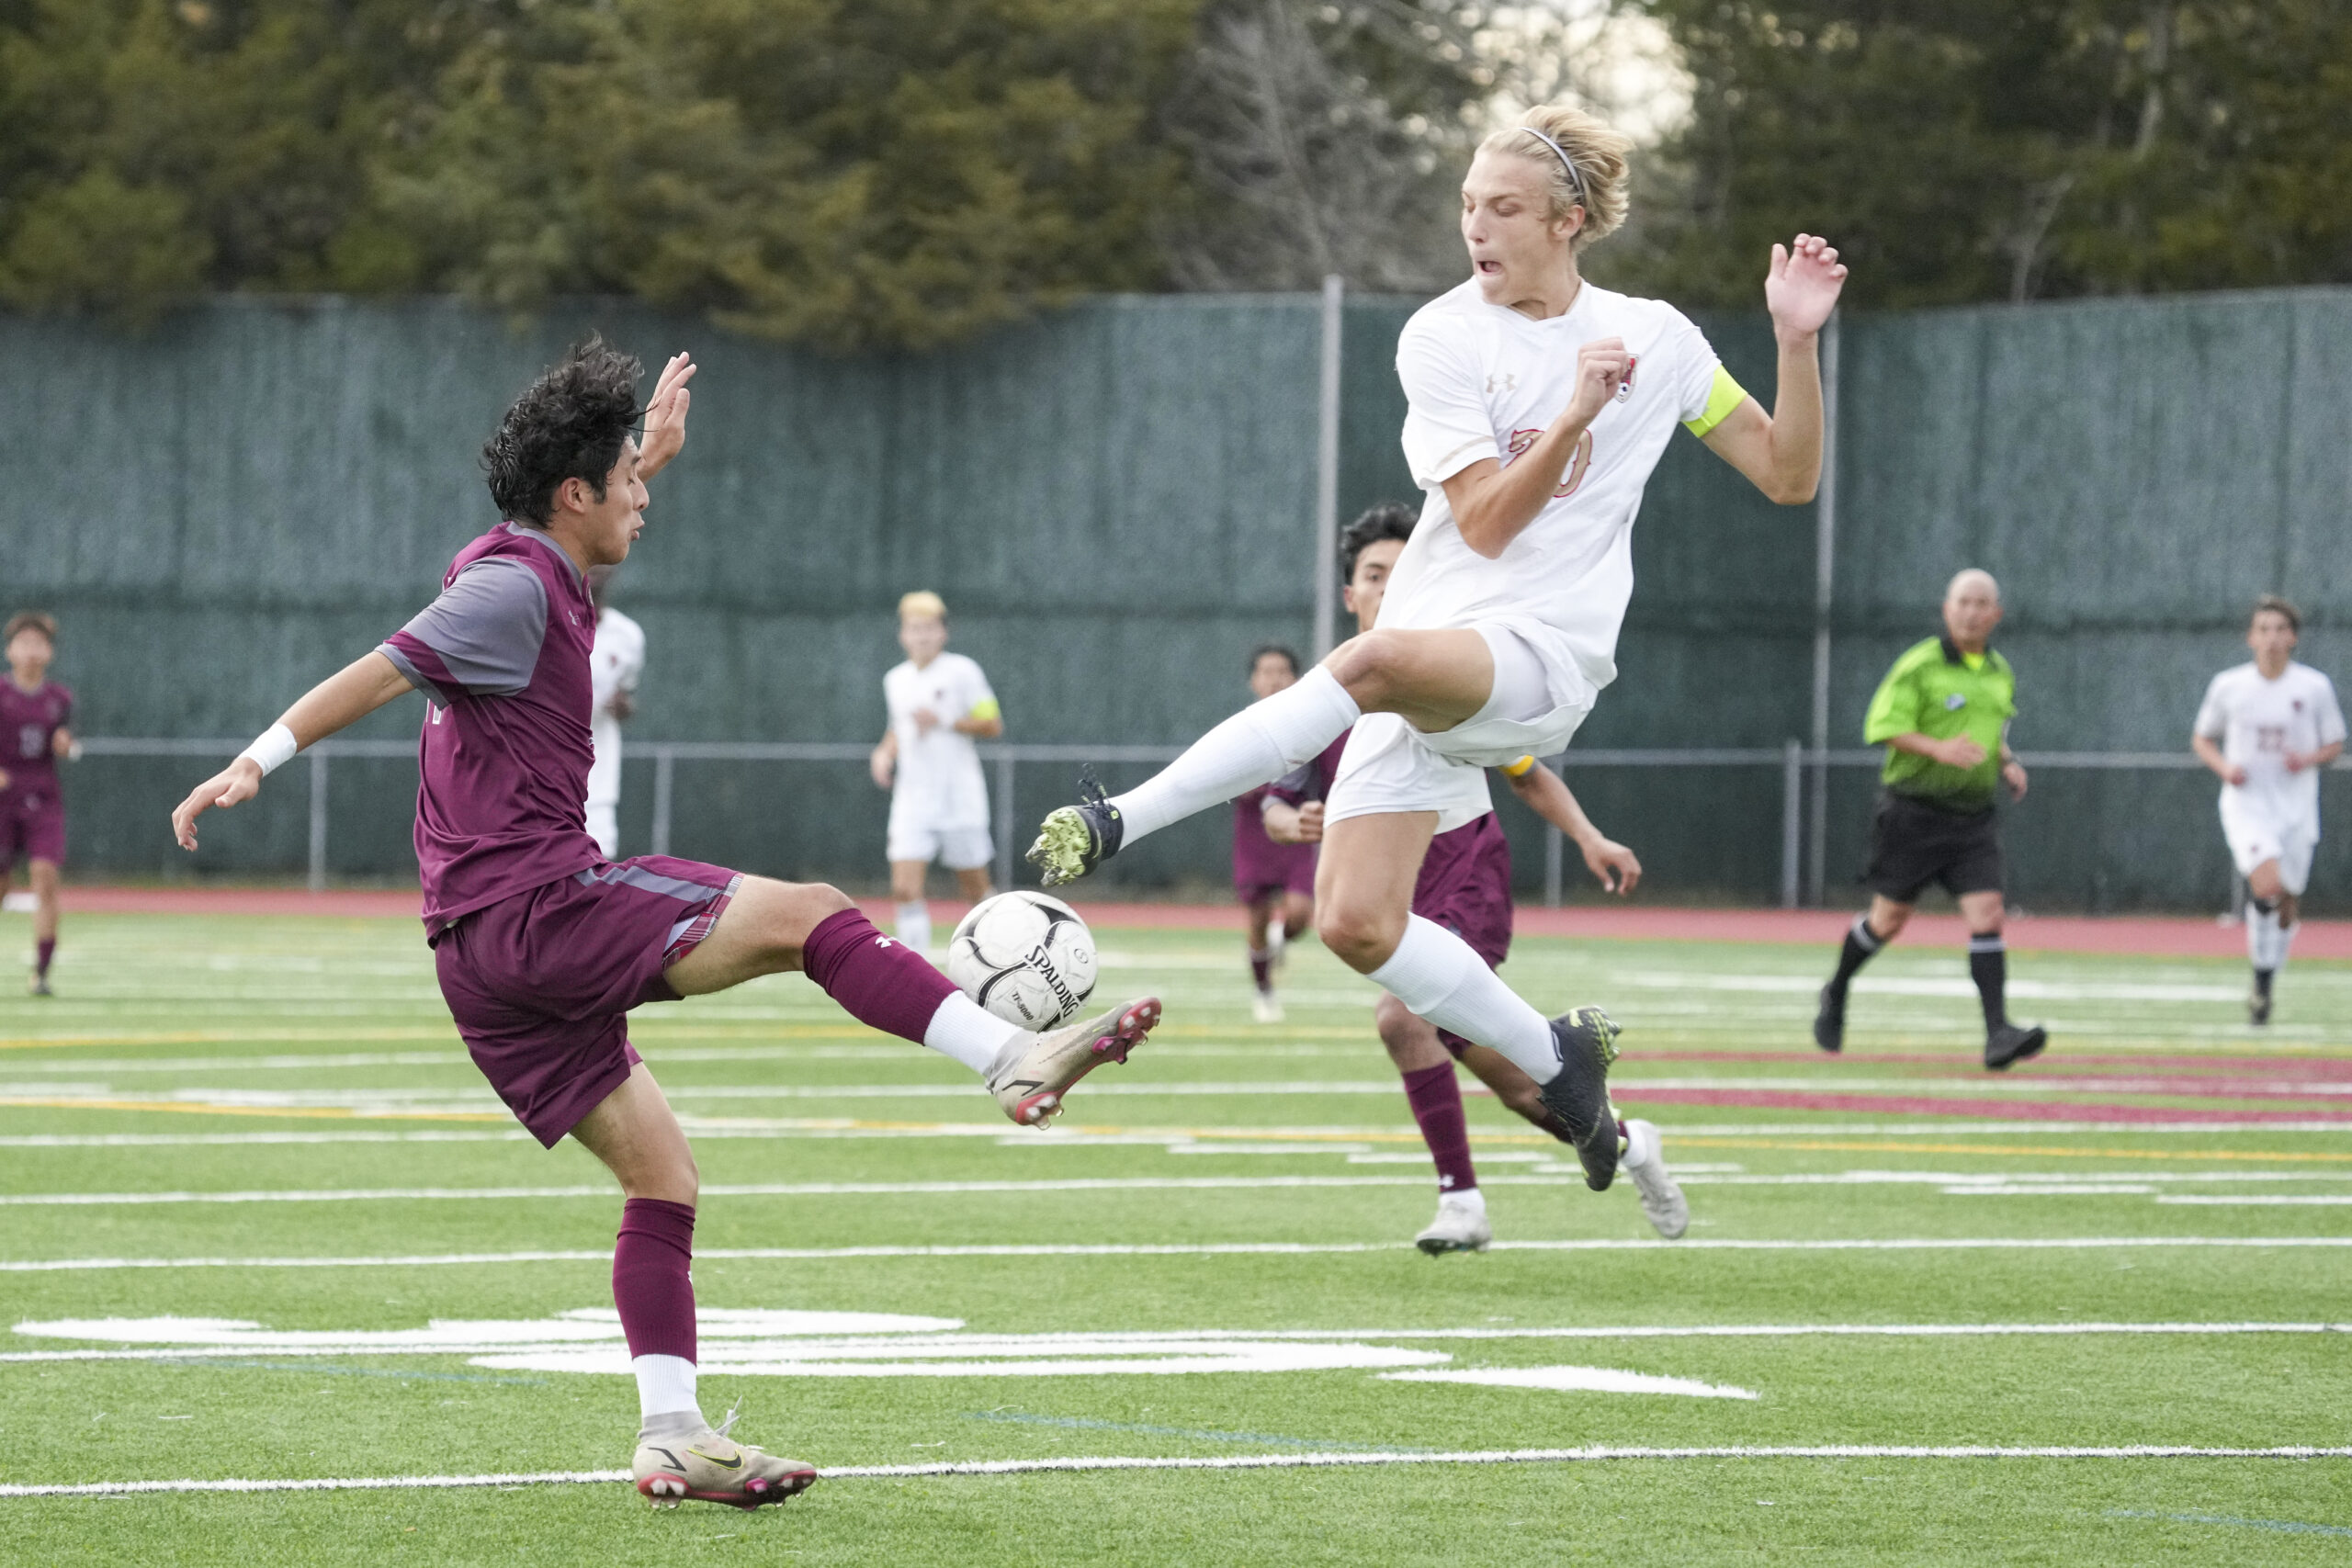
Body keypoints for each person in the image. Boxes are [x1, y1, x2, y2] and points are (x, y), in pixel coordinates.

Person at [169, 342, 1160, 1511]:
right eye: (626, 482)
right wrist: (255, 761)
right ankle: (1010, 1056)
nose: (645, 497)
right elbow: (382, 669)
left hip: (481, 963)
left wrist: (648, 450)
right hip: (537, 910)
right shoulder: (510, 587)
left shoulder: (538, 562)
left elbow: (552, 544)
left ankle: (672, 1435)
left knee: (664, 1179)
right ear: (573, 494)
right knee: (813, 916)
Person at [1031, 104, 1844, 1191]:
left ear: (1570, 218)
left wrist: (1795, 341)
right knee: (1355, 926)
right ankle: (1560, 1059)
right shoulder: (1441, 334)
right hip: (1439, 659)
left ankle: (1114, 815)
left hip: (1540, 656)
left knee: (1363, 667)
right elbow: (1486, 519)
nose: (1476, 226)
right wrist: (1570, 414)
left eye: (1502, 207)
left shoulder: (1659, 338)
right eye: (1466, 204)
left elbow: (1789, 476)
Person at [1262, 504, 1685, 1250]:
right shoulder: (1332, 692)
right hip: (1388, 901)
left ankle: (1462, 1202)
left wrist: (1589, 836)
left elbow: (1525, 773)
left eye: (1403, 572)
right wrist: (1285, 821)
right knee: (1534, 1092)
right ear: (1349, 594)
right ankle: (1629, 1143)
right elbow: (1276, 794)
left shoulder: (1442, 676)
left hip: (1463, 878)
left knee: (1399, 1018)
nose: (1389, 588)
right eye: (1373, 575)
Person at [1812, 569, 2046, 1069]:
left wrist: (2007, 763)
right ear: (1947, 608)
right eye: (1963, 601)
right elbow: (1882, 726)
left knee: (1988, 916)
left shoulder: (1999, 671)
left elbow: (1988, 732)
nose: (1972, 611)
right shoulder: (1919, 665)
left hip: (1972, 821)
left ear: (1996, 614)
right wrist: (1938, 748)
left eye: (1983, 603)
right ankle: (1836, 989)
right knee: (1888, 921)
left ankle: (1998, 1034)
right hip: (1913, 816)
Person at [2192, 595, 2345, 1025]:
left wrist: (2308, 758)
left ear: (2292, 637)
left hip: (2296, 809)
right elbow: (2203, 738)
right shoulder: (2229, 685)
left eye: (2280, 629)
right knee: (2267, 885)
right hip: (2247, 805)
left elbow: (2335, 744)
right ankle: (2261, 983)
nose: (2272, 638)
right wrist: (2226, 767)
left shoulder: (2313, 687)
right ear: (2250, 637)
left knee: (2288, 902)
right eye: (2264, 629)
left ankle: (2266, 981)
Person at [870, 592, 1001, 953]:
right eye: (914, 628)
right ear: (903, 635)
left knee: (977, 893)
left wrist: (945, 720)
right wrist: (885, 751)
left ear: (943, 633)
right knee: (904, 889)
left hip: (960, 798)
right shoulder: (895, 679)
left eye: (929, 628)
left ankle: (999, 955)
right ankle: (916, 968)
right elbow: (898, 726)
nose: (921, 636)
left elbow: (992, 723)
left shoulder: (964, 671)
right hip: (913, 800)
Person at [1232, 644, 1317, 1022]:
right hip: (1254, 833)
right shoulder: (1239, 729)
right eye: (1266, 671)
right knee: (1257, 919)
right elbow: (1224, 780)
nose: (1274, 679)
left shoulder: (1311, 725)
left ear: (1296, 678)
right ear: (1253, 680)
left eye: (1282, 670)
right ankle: (1264, 991)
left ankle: (1281, 940)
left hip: (1297, 829)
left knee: (1299, 914)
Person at [0, 611, 74, 996]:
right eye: (23, 643)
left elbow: (66, 742)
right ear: (9, 650)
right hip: (2, 800)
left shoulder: (59, 699)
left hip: (43, 796)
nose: (30, 651)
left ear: (49, 652)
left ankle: (42, 971)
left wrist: (66, 745)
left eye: (38, 643)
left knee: (45, 877)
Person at [584, 567, 645, 859]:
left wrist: (623, 706)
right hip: (540, 771)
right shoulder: (546, 622)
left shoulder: (628, 635)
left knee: (597, 859)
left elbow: (626, 695)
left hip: (598, 774)